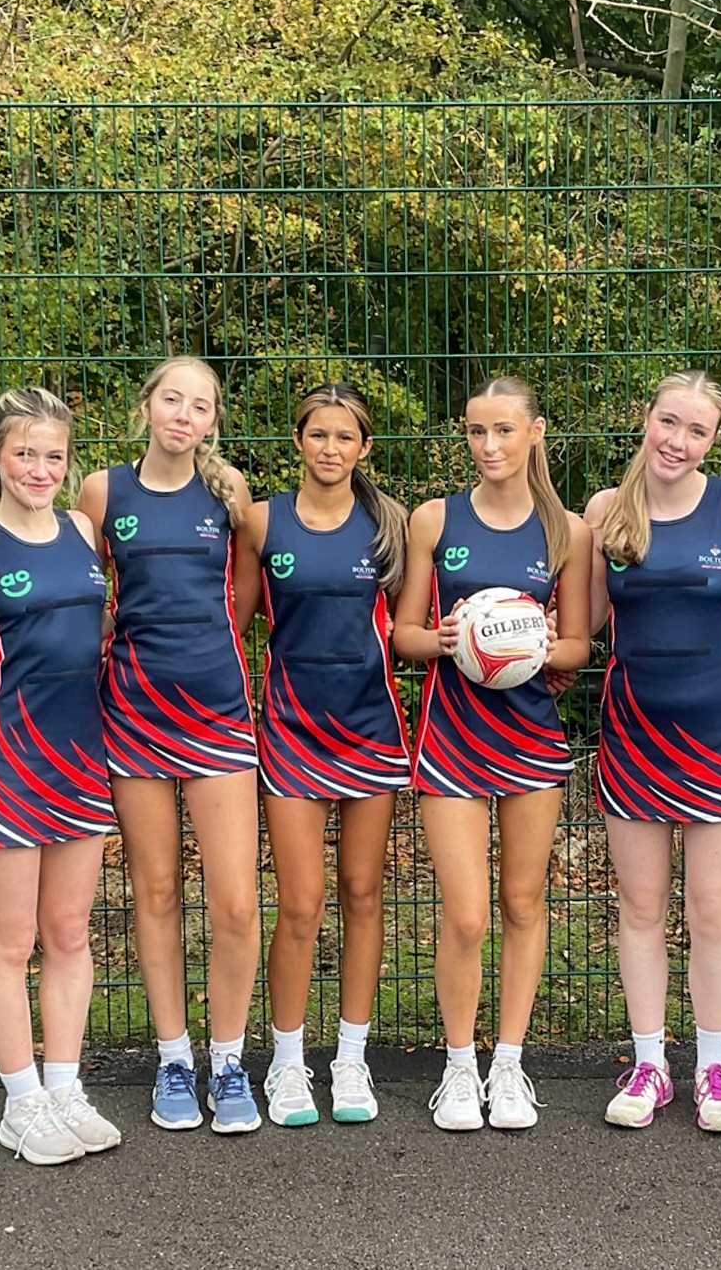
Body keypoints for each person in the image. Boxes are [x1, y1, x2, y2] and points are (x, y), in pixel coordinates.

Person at [584, 368, 721, 1133]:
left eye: (697, 430)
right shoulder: (606, 513)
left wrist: (711, 636)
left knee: (712, 911)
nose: (678, 440)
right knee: (640, 908)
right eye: (668, 421)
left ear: (714, 440)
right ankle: (649, 1064)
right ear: (647, 418)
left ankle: (714, 1067)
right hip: (633, 733)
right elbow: (585, 629)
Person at [395, 376, 592, 1131]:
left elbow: (577, 641)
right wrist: (447, 638)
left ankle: (508, 1063)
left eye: (505, 431)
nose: (489, 446)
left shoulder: (565, 530)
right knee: (469, 914)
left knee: (521, 902)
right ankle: (458, 1065)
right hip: (452, 737)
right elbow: (405, 633)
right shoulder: (435, 519)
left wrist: (537, 645)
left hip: (531, 737)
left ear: (535, 431)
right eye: (477, 432)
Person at [74, 356, 262, 1134]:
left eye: (200, 405)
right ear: (148, 405)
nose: (184, 414)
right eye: (172, 399)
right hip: (134, 716)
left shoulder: (230, 494)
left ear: (213, 421)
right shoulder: (100, 490)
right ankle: (174, 1058)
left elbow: (244, 593)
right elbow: (82, 594)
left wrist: (207, 654)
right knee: (154, 891)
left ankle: (229, 1058)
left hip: (218, 711)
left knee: (236, 901)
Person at [0, 387, 119, 1165]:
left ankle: (63, 1085)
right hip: (8, 756)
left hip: (83, 751)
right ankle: (20, 1103)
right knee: (12, 938)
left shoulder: (84, 528)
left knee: (70, 932)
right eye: (24, 452)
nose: (39, 468)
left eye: (53, 454)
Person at [234, 383, 411, 1127]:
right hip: (292, 731)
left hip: (371, 726)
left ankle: (350, 1057)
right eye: (319, 434)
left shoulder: (390, 525)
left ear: (364, 447)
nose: (332, 447)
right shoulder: (261, 520)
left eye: (346, 437)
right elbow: (231, 621)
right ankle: (285, 1063)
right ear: (298, 441)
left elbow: (411, 629)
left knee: (363, 893)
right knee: (301, 903)